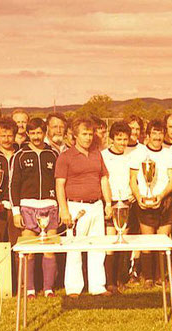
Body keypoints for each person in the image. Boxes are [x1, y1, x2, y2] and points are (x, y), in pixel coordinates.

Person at [55, 117, 113, 297]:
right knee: (75, 248)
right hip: (75, 207)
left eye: (90, 134)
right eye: (84, 134)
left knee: (97, 247)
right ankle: (73, 288)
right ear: (75, 135)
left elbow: (103, 179)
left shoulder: (97, 154)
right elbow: (59, 185)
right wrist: (64, 210)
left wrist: (108, 203)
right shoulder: (66, 157)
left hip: (96, 205)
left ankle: (97, 286)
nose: (88, 138)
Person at [10, 118, 59, 298]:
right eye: (32, 133)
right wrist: (16, 212)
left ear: (45, 133)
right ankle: (29, 288)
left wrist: (59, 206)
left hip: (50, 206)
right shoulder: (20, 154)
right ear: (28, 134)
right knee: (29, 249)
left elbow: (59, 182)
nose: (36, 137)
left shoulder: (53, 154)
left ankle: (48, 288)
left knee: (50, 248)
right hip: (28, 207)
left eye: (39, 133)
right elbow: (13, 185)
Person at [129, 120, 172, 287]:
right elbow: (133, 180)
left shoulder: (169, 153)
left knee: (162, 241)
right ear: (147, 135)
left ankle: (160, 276)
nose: (157, 137)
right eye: (154, 133)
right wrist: (139, 196)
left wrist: (162, 196)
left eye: (160, 133)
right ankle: (148, 277)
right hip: (144, 202)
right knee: (147, 241)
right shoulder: (138, 154)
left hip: (165, 202)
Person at [101, 122, 133, 293]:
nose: (122, 142)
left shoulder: (130, 156)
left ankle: (121, 278)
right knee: (110, 243)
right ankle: (110, 281)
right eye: (119, 139)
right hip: (110, 202)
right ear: (112, 139)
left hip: (126, 202)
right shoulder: (103, 156)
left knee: (122, 242)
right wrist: (106, 202)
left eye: (125, 139)